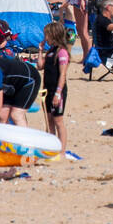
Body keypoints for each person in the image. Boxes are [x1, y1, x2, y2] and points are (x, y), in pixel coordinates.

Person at [40, 21, 71, 157]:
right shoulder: (50, 51)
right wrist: (40, 50)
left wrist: (58, 93)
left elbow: (62, 74)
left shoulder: (62, 52)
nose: (45, 38)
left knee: (58, 121)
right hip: (47, 89)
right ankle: (51, 148)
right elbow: (40, 66)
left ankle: (62, 151)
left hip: (57, 91)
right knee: (49, 121)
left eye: (46, 35)